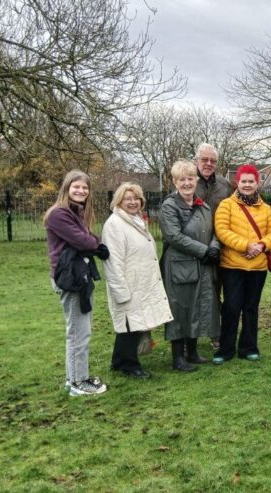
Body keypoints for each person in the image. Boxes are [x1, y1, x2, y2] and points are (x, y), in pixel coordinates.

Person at [44, 170, 109, 396]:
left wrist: (93, 242)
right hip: (69, 278)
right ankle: (78, 383)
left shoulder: (76, 212)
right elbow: (83, 240)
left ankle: (75, 377)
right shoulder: (59, 214)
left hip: (79, 275)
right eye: (76, 186)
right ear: (66, 187)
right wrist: (96, 244)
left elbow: (88, 238)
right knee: (78, 333)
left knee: (82, 330)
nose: (81, 191)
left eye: (85, 187)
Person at [102, 183, 174, 379]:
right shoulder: (115, 224)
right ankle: (129, 365)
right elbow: (113, 260)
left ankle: (118, 361)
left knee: (133, 322)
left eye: (136, 198)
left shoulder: (135, 220)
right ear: (119, 201)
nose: (133, 202)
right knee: (130, 324)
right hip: (128, 283)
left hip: (140, 282)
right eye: (128, 199)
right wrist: (120, 289)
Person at [213, 164, 271, 364]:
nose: (248, 185)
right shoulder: (226, 205)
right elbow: (222, 230)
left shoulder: (266, 209)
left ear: (257, 183)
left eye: (251, 181)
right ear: (238, 182)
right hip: (232, 265)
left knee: (251, 308)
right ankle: (226, 349)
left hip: (257, 267)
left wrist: (261, 245)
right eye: (244, 181)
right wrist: (246, 246)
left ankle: (249, 347)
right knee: (231, 307)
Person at [159, 160, 221, 372]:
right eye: (182, 179)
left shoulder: (203, 206)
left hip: (202, 265)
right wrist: (204, 251)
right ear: (175, 182)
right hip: (180, 266)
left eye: (190, 178)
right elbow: (174, 236)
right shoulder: (169, 206)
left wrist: (214, 248)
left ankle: (192, 352)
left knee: (197, 306)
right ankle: (178, 358)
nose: (187, 183)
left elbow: (214, 232)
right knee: (180, 309)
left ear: (196, 180)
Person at [193, 143, 232, 351]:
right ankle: (190, 336)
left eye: (213, 161)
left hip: (220, 245)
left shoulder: (224, 185)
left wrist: (216, 243)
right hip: (195, 246)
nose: (208, 164)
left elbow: (229, 215)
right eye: (204, 160)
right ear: (197, 160)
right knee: (196, 293)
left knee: (218, 290)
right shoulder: (189, 182)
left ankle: (217, 333)